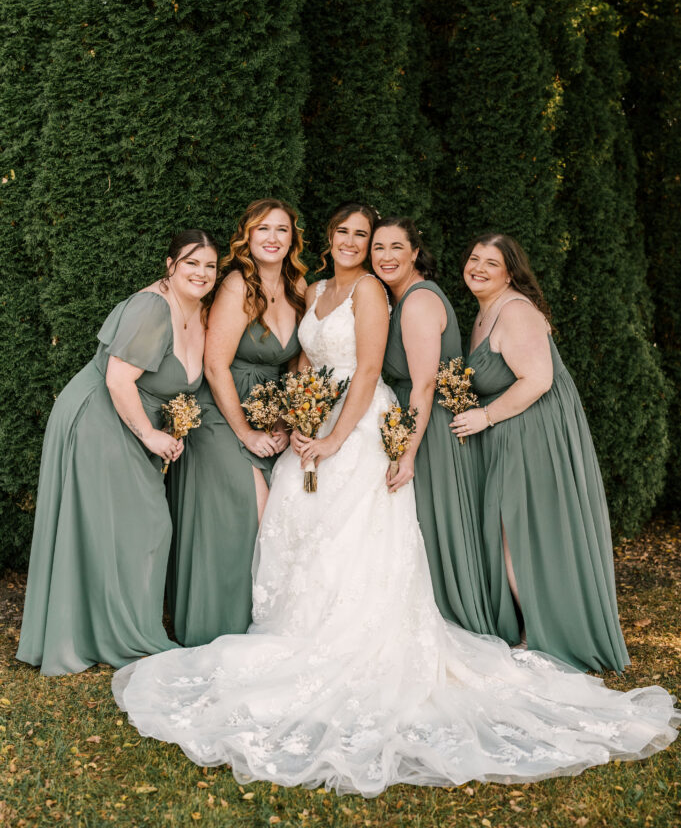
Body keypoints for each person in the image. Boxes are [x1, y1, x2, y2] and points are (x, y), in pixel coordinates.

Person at [112, 206, 677, 797]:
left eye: (366, 237)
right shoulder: (316, 289)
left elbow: (367, 371)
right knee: (301, 525)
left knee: (354, 531)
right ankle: (295, 630)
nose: (356, 244)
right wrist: (300, 416)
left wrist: (334, 438)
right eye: (347, 233)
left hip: (358, 425)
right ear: (329, 238)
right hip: (315, 417)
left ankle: (351, 641)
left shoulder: (373, 293)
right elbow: (305, 359)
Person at [17, 230, 218, 675]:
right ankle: (111, 635)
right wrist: (150, 436)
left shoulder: (198, 310)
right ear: (170, 265)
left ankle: (115, 628)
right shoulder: (152, 308)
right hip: (100, 418)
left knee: (138, 528)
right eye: (192, 263)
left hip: (134, 422)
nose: (202, 273)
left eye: (210, 266)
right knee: (135, 526)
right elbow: (117, 380)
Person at [452, 233, 630, 673]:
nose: (478, 268)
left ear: (509, 273)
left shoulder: (515, 311)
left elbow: (538, 380)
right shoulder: (484, 311)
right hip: (510, 429)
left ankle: (543, 635)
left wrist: (485, 416)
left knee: (522, 530)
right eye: (474, 259)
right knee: (510, 528)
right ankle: (531, 626)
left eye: (491, 263)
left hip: (535, 431)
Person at [166, 199, 306, 646]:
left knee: (282, 510)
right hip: (221, 414)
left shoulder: (298, 286)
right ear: (247, 236)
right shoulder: (236, 285)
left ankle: (264, 623)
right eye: (262, 228)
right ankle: (220, 626)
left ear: (293, 239)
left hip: (269, 413)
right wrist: (246, 431)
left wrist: (284, 421)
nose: (272, 237)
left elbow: (293, 366)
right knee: (254, 504)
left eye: (281, 229)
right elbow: (215, 365)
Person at [372, 217, 495, 634]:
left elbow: (423, 385)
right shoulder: (400, 298)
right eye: (378, 248)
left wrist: (407, 453)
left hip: (429, 428)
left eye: (396, 247)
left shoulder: (419, 301)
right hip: (418, 419)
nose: (386, 256)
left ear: (414, 253)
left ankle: (450, 617)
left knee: (434, 523)